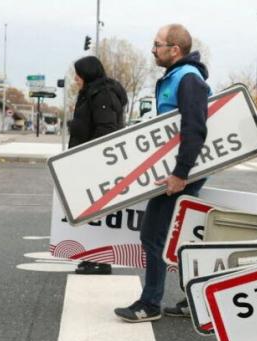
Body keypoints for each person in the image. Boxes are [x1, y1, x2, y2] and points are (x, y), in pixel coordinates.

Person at [114, 24, 210, 322]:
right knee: (176, 239)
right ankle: (195, 299)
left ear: (175, 49)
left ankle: (150, 303)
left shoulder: (188, 79)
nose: (153, 50)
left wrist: (180, 174)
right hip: (178, 172)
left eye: (157, 44)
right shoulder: (176, 77)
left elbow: (194, 129)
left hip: (181, 175)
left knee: (153, 235)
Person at [67, 55, 129, 275]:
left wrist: (92, 161)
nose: (75, 78)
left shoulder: (101, 93)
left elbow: (106, 129)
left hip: (95, 163)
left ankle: (100, 260)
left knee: (96, 213)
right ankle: (93, 257)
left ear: (88, 73)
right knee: (91, 213)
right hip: (90, 161)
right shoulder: (93, 92)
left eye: (78, 74)